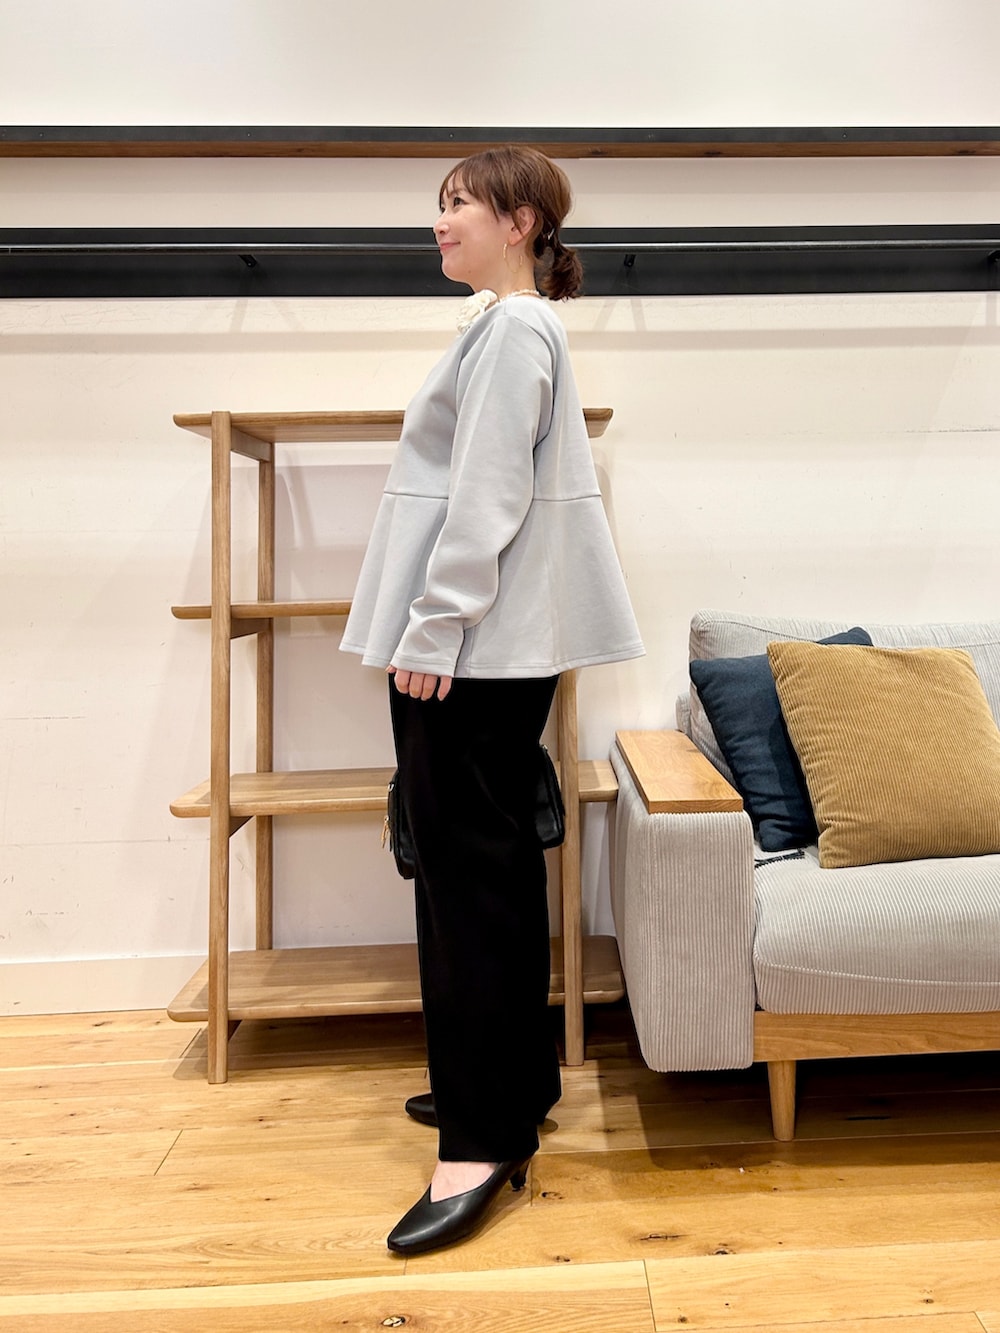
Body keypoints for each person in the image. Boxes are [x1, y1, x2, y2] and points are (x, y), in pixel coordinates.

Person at [341, 145, 643, 1255]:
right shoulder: (510, 326)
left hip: (467, 647)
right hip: (486, 646)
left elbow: (487, 493)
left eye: (458, 203)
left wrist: (434, 623)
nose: (440, 222)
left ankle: (480, 1140)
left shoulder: (514, 330)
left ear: (519, 222)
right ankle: (509, 1084)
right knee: (492, 863)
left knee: (463, 877)